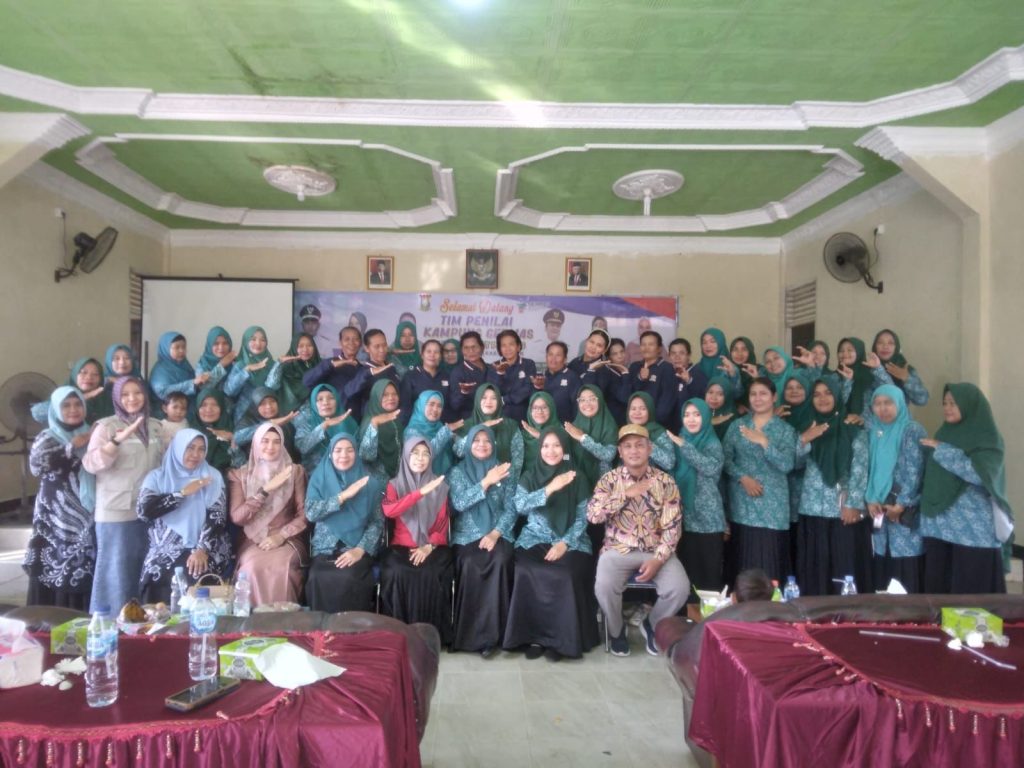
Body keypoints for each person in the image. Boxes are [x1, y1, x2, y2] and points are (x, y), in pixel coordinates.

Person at [588, 424, 687, 657]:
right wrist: (624, 495)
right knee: (604, 586)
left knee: (679, 588)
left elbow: (673, 526)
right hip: (617, 550)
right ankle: (616, 631)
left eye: (640, 445)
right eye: (628, 446)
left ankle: (652, 624)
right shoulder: (609, 480)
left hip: (656, 550)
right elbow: (593, 516)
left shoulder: (665, 481)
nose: (634, 451)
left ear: (649, 449)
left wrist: (659, 559)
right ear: (620, 452)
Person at [505, 428, 598, 661]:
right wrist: (549, 488)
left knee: (565, 573)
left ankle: (560, 641)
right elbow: (520, 506)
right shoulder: (529, 475)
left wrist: (564, 543)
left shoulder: (577, 476)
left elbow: (583, 518)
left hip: (571, 540)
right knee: (526, 570)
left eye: (557, 445)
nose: (551, 451)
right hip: (534, 538)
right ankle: (533, 638)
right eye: (545, 446)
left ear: (564, 448)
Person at [920, 383, 1012, 594]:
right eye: (945, 403)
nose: (947, 408)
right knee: (940, 589)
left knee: (972, 593)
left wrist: (943, 450)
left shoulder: (988, 438)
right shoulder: (944, 432)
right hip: (939, 525)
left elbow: (982, 475)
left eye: (953, 403)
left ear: (969, 405)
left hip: (972, 529)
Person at [83, 376, 164, 613]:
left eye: (137, 393)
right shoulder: (106, 427)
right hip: (117, 512)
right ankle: (107, 624)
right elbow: (90, 464)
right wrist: (115, 442)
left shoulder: (155, 426)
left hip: (149, 510)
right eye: (125, 394)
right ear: (117, 398)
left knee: (143, 571)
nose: (132, 399)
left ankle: (139, 624)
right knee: (116, 574)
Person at [136, 429, 231, 604]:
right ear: (178, 448)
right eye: (190, 448)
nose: (196, 454)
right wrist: (181, 494)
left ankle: (201, 620)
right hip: (164, 546)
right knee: (156, 572)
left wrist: (202, 549)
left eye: (201, 449)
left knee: (197, 572)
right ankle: (159, 619)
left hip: (206, 545)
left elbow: (217, 517)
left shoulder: (213, 476)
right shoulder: (157, 477)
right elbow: (144, 512)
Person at [794, 379, 871, 596]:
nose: (822, 398)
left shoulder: (853, 429)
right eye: (816, 394)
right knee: (813, 569)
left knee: (842, 569)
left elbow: (860, 468)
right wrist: (804, 440)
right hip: (811, 510)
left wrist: (853, 504)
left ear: (837, 396)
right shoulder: (808, 426)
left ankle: (843, 612)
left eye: (828, 392)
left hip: (842, 512)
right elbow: (795, 465)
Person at [24, 387, 96, 609]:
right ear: (56, 409)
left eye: (78, 404)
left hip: (87, 509)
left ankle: (82, 616)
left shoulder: (92, 433)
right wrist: (71, 446)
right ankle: (52, 616)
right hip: (55, 513)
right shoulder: (48, 436)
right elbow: (37, 467)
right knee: (55, 559)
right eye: (66, 405)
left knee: (84, 560)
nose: (73, 410)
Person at [447, 425, 516, 655]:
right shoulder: (457, 472)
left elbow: (511, 509)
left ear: (494, 444)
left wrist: (495, 533)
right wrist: (485, 482)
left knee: (501, 559)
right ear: (468, 444)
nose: (482, 445)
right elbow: (458, 504)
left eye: (487, 440)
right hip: (467, 535)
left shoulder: (505, 470)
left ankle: (498, 636)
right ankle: (471, 636)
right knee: (470, 563)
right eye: (476, 440)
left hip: (498, 532)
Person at [722, 378, 797, 584]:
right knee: (742, 562)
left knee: (770, 565)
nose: (757, 398)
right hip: (742, 504)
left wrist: (764, 442)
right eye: (753, 394)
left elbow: (787, 464)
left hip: (772, 508)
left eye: (763, 393)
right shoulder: (737, 426)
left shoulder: (785, 430)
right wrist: (742, 477)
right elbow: (725, 459)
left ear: (774, 397)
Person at [854, 385, 927, 592]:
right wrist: (870, 499)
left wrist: (901, 504)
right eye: (877, 404)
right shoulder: (873, 432)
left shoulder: (912, 430)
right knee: (883, 566)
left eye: (888, 403)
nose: (882, 409)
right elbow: (870, 469)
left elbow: (914, 471)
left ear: (900, 404)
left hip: (903, 512)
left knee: (905, 567)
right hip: (878, 510)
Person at [380, 438, 453, 645]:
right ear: (406, 456)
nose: (420, 458)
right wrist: (420, 493)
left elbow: (442, 523)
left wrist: (429, 546)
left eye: (425, 454)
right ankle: (399, 635)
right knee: (398, 572)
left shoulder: (440, 486)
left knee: (432, 572)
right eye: (415, 453)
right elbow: (390, 511)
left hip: (432, 545)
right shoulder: (394, 484)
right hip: (401, 546)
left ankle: (431, 636)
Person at [304, 434, 385, 613]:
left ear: (356, 453)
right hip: (325, 548)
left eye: (350, 450)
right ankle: (321, 628)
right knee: (317, 576)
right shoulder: (318, 478)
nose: (344, 455)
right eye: (338, 450)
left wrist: (360, 550)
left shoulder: (370, 484)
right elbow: (310, 513)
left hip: (357, 547)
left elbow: (377, 522)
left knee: (350, 577)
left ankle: (351, 628)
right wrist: (342, 497)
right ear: (330, 453)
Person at [229, 423, 307, 606]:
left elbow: (304, 514)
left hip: (287, 539)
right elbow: (237, 517)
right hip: (252, 540)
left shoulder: (295, 472)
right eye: (264, 441)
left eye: (276, 442)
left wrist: (281, 536)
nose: (270, 447)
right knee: (251, 568)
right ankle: (255, 621)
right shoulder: (240, 475)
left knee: (282, 567)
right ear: (256, 443)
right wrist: (264, 491)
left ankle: (286, 621)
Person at [668, 399, 726, 605]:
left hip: (707, 520)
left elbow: (711, 468)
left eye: (697, 414)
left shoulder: (712, 442)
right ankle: (688, 616)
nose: (691, 419)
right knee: (687, 572)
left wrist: (685, 446)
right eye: (687, 415)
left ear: (706, 416)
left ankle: (709, 617)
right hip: (684, 516)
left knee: (709, 573)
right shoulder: (680, 439)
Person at [453, 383, 525, 485]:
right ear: (477, 400)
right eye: (484, 397)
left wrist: (509, 484)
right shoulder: (465, 425)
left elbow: (517, 461)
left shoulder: (510, 425)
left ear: (499, 401)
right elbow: (459, 452)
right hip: (470, 484)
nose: (488, 401)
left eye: (494, 398)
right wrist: (480, 428)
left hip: (502, 484)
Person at [224, 326, 283, 426]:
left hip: (268, 414)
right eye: (253, 339)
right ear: (245, 341)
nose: (258, 343)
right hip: (244, 416)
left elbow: (273, 388)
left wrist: (279, 364)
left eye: (262, 340)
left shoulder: (271, 364)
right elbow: (229, 391)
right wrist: (247, 370)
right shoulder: (240, 365)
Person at [294, 384, 356, 472]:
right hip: (318, 473)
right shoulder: (307, 420)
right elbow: (302, 447)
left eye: (331, 398)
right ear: (313, 403)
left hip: (348, 470)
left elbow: (360, 453)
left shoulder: (347, 421)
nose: (326, 402)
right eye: (320, 399)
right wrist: (324, 426)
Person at [233, 387, 300, 464]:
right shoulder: (248, 421)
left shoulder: (286, 420)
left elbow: (294, 450)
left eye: (272, 401)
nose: (269, 406)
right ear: (255, 406)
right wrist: (270, 424)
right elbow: (237, 438)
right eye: (262, 404)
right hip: (255, 466)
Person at [302, 326, 364, 406]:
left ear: (360, 343)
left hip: (354, 413)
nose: (351, 343)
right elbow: (307, 381)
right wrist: (330, 365)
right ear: (340, 343)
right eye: (347, 339)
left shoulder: (363, 370)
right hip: (332, 411)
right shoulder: (329, 364)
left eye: (355, 339)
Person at [149, 332, 207, 413]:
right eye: (177, 347)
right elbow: (163, 392)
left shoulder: (184, 364)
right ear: (166, 349)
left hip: (186, 409)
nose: (181, 351)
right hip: (167, 413)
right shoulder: (160, 370)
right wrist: (192, 383)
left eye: (184, 347)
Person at [358, 379, 404, 480]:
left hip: (397, 478)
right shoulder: (369, 422)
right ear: (376, 397)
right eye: (385, 395)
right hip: (378, 480)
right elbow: (367, 456)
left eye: (394, 394)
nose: (391, 398)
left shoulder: (394, 417)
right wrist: (374, 424)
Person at [403, 390, 456, 476]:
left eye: (439, 406)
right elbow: (427, 453)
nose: (435, 409)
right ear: (421, 406)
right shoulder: (411, 431)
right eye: (431, 404)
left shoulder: (439, 426)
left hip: (446, 477)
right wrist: (445, 432)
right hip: (424, 479)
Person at [628, 331, 675, 426]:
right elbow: (629, 394)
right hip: (635, 421)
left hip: (656, 423)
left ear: (659, 348)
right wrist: (640, 378)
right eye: (643, 344)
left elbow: (667, 398)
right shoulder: (634, 367)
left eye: (651, 344)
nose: (646, 348)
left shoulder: (666, 368)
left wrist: (653, 422)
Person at [872, 329, 930, 406]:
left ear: (897, 347)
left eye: (891, 343)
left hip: (899, 413)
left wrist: (907, 378)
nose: (885, 346)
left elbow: (922, 400)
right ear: (875, 347)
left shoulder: (905, 369)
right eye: (880, 343)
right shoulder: (868, 369)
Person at [399, 339, 449, 425]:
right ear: (422, 355)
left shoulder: (446, 376)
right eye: (429, 351)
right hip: (417, 426)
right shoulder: (410, 376)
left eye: (436, 352)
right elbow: (405, 406)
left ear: (440, 357)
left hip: (440, 426)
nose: (432, 355)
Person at [448, 331, 496, 420]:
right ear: (461, 351)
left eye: (474, 347)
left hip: (492, 418)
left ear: (482, 347)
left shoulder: (492, 369)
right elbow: (455, 405)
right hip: (469, 421)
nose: (471, 351)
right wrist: (463, 392)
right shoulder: (458, 372)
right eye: (466, 348)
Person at [491, 330, 536, 422]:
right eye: (503, 345)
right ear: (499, 349)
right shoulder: (494, 366)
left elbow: (528, 389)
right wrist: (500, 373)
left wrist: (504, 399)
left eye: (511, 344)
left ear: (518, 347)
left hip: (523, 415)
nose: (507, 348)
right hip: (500, 416)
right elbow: (494, 391)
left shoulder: (528, 364)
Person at [190, 386, 237, 473]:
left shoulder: (231, 429)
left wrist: (233, 438)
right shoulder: (188, 435)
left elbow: (239, 462)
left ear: (221, 408)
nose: (209, 409)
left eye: (215, 405)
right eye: (204, 405)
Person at [624, 392, 675, 472]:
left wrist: (645, 443)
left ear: (650, 411)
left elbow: (669, 463)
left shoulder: (659, 433)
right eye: (633, 409)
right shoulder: (625, 431)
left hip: (654, 478)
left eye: (643, 409)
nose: (637, 412)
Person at [666, 338, 709, 432]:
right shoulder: (668, 373)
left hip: (691, 428)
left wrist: (689, 381)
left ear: (688, 355)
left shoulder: (697, 373)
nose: (677, 357)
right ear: (669, 356)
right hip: (671, 428)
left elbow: (703, 399)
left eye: (681, 353)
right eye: (673, 353)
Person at [278, 332, 322, 414]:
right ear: (294, 347)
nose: (305, 349)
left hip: (318, 413)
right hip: (292, 416)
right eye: (300, 346)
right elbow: (271, 385)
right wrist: (279, 363)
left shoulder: (320, 366)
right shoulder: (286, 368)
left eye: (309, 345)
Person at [537, 341, 580, 423]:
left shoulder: (572, 377)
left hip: (565, 427)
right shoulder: (541, 377)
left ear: (565, 359)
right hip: (544, 426)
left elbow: (578, 407)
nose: (553, 358)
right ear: (546, 357)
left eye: (558, 355)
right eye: (550, 354)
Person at [520, 391, 560, 468]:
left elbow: (566, 459)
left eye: (544, 407)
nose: (539, 411)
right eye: (535, 408)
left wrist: (540, 435)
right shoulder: (523, 435)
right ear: (530, 411)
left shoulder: (563, 433)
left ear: (551, 408)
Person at [194, 326, 235, 393]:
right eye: (216, 344)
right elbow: (204, 388)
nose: (221, 347)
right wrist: (222, 365)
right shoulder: (203, 363)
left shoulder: (234, 362)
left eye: (225, 343)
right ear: (210, 345)